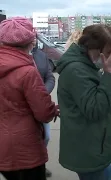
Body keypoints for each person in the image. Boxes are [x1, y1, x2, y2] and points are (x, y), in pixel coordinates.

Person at [56, 24, 111, 180]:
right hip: (87, 148)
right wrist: (110, 75)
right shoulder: (76, 70)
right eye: (109, 53)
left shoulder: (86, 65)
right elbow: (95, 109)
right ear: (92, 48)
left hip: (95, 141)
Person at [0, 17, 59, 180]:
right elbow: (43, 113)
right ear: (30, 42)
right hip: (24, 149)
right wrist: (53, 109)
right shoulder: (27, 71)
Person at [32, 37, 56, 178]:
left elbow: (50, 77)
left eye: (34, 37)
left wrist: (43, 93)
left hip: (42, 103)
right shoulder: (15, 57)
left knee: (45, 137)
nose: (33, 40)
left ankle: (41, 165)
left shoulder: (41, 55)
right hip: (24, 107)